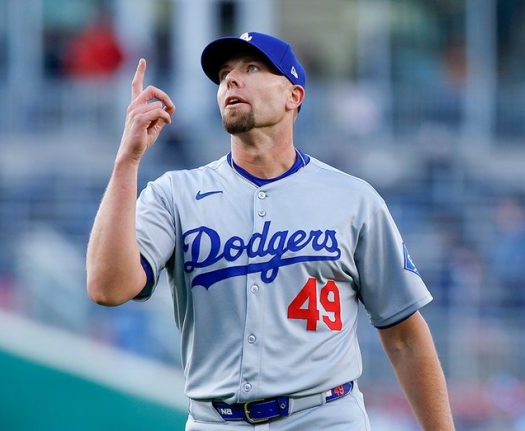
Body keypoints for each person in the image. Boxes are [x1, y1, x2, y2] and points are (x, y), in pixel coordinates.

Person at [87, 31, 454, 430]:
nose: (231, 79)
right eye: (225, 73)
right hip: (216, 420)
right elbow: (108, 288)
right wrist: (127, 160)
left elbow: (405, 337)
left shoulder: (353, 199)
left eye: (252, 68)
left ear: (293, 96)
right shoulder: (175, 194)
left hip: (324, 416)